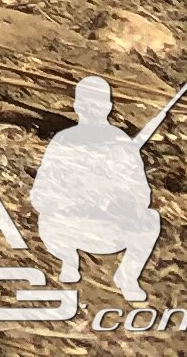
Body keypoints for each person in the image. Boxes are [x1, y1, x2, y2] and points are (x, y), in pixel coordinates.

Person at [29, 76, 162, 301]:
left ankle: (127, 277)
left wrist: (117, 198)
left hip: (109, 230)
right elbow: (40, 193)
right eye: (88, 104)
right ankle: (69, 261)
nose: (92, 109)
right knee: (48, 219)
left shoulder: (121, 143)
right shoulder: (64, 141)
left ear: (108, 107)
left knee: (150, 219)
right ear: (78, 106)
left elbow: (142, 195)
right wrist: (72, 200)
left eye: (97, 104)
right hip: (67, 229)